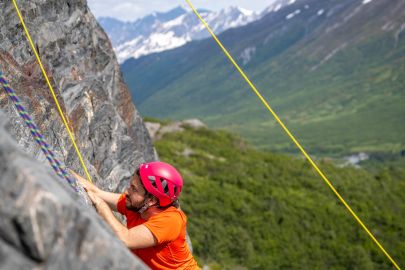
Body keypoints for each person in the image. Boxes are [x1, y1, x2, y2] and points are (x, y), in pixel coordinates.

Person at [72, 161, 199, 270]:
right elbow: (96, 192)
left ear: (151, 200)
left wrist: (102, 206)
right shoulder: (135, 205)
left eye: (134, 189)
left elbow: (125, 239)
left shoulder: (171, 220)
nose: (127, 192)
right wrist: (62, 168)